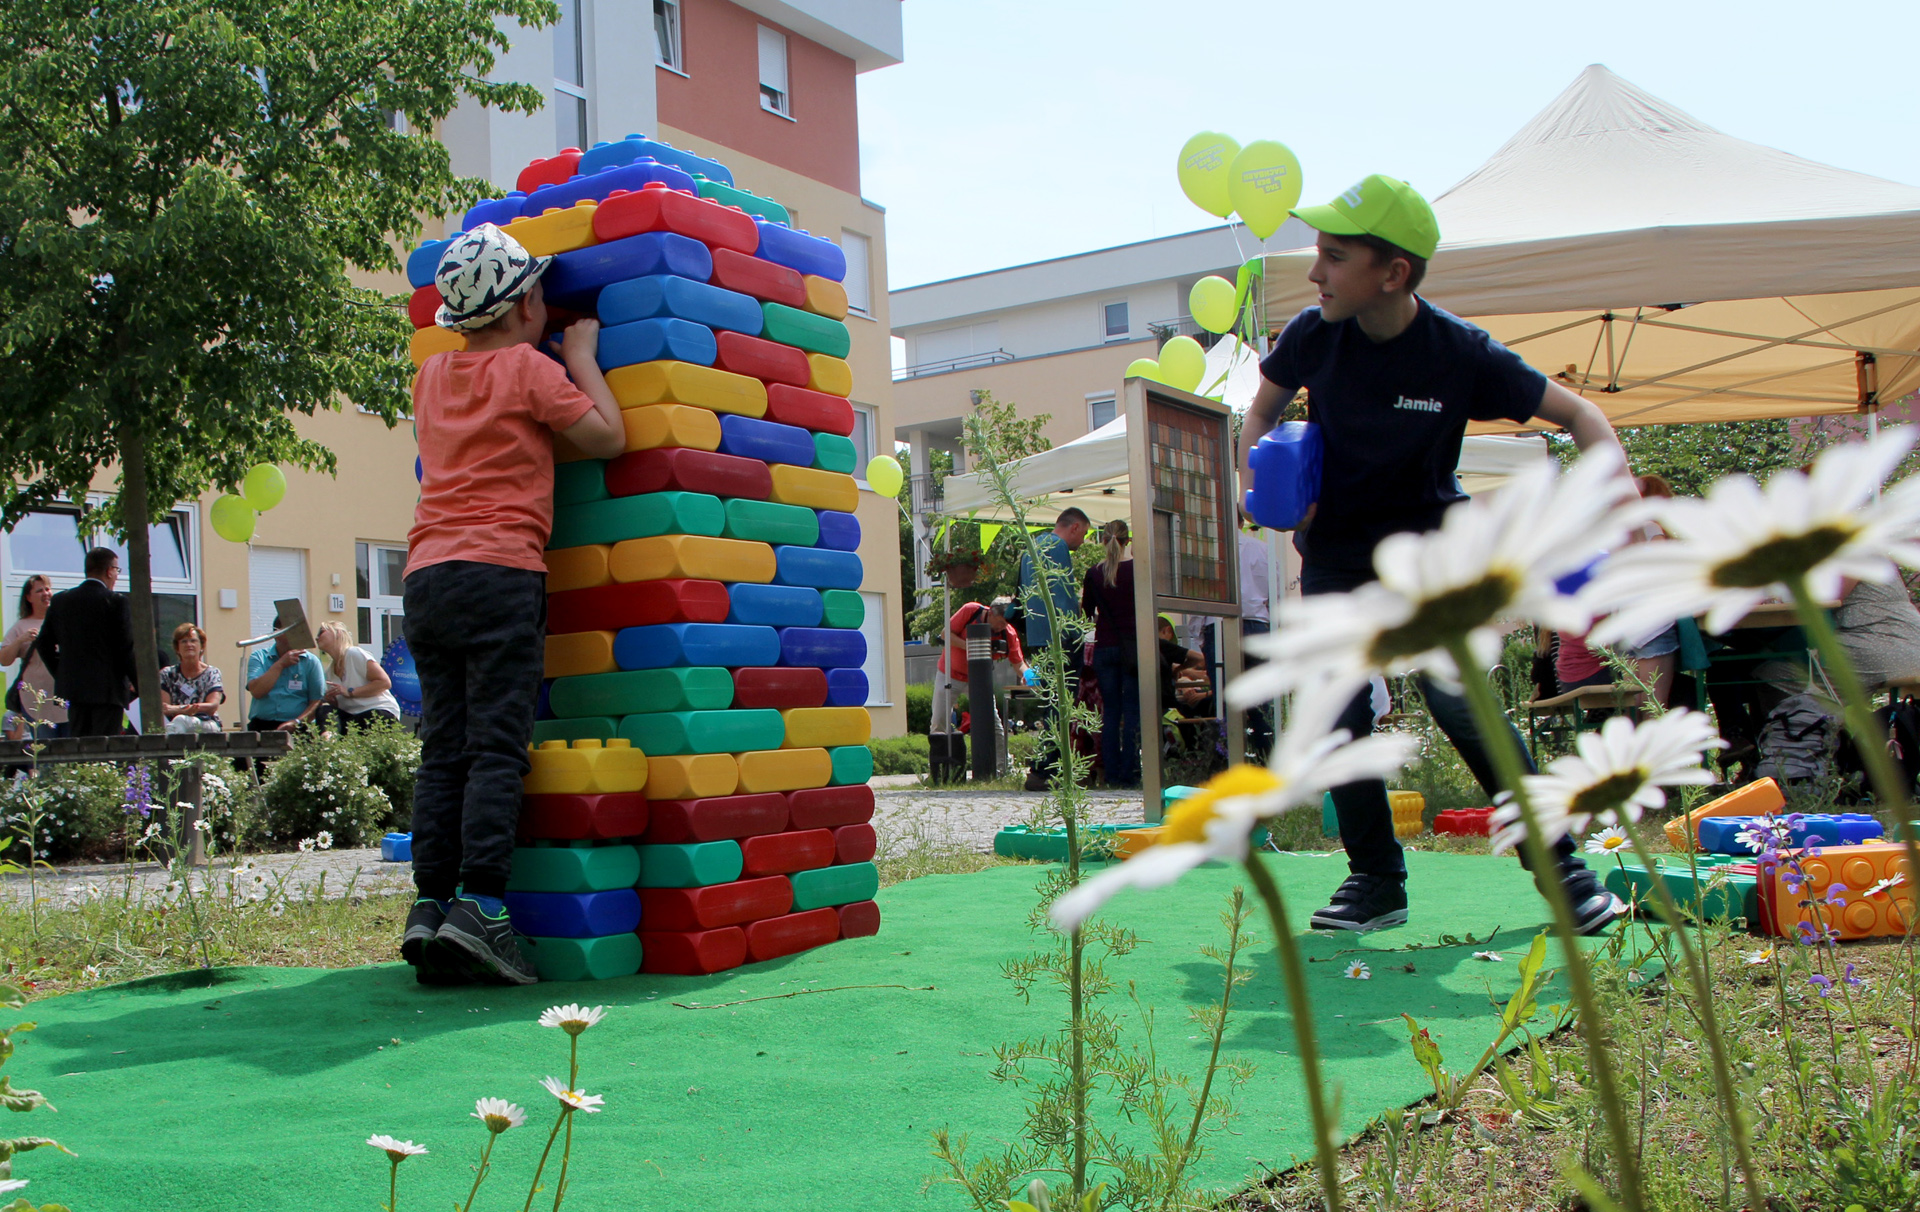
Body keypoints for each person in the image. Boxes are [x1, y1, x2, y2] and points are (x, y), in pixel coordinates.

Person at [1237, 174, 1634, 936]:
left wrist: (1617, 509)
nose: (1315, 273)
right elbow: (1260, 410)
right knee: (1336, 710)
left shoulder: (1461, 353)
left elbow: (1583, 415)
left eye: (1334, 256)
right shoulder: (1312, 334)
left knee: (1461, 703)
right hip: (1339, 557)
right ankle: (1376, 881)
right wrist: (1256, 480)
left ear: (1393, 274)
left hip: (1434, 555)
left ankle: (1564, 873)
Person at [401, 222, 626, 986]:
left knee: (445, 748)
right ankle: (484, 906)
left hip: (428, 576)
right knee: (498, 747)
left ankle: (429, 906)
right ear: (528, 304)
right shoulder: (529, 369)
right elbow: (606, 438)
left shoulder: (430, 378)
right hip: (500, 573)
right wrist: (584, 359)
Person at [1019, 506, 1091, 789]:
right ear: (1073, 527)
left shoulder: (1031, 547)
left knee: (1050, 703)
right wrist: (1077, 630)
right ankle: (1048, 768)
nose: (1082, 542)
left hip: (1038, 636)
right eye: (1083, 534)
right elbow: (1062, 595)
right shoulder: (1057, 547)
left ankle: (1043, 767)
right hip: (1060, 636)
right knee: (1062, 705)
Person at [36, 548, 136, 737]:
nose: (116, 576)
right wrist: (140, 685)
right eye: (117, 570)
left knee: (79, 750)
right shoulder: (115, 601)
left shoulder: (61, 601)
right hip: (108, 691)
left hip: (75, 691)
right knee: (105, 752)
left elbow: (43, 643)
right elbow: (126, 648)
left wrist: (62, 672)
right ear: (109, 571)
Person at [930, 596, 1028, 774]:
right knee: (939, 722)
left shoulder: (1009, 633)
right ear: (990, 612)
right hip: (949, 674)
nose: (999, 628)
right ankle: (939, 770)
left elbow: (1018, 663)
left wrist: (1027, 675)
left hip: (978, 680)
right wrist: (972, 645)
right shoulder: (970, 610)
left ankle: (1003, 767)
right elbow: (946, 634)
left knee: (993, 723)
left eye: (1004, 625)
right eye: (998, 624)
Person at [1081, 520, 1141, 788]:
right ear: (1128, 541)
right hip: (1133, 648)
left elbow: (1086, 611)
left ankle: (1111, 773)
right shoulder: (1139, 571)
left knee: (1110, 713)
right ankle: (1131, 772)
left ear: (1103, 541)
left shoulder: (1094, 573)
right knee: (1132, 712)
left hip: (1105, 647)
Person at [2, 575, 66, 739]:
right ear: (29, 598)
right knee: (46, 753)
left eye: (47, 589)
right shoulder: (21, 626)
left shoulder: (63, 621)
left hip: (64, 697)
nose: (46, 593)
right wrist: (20, 640)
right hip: (37, 702)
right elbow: (4, 659)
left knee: (71, 750)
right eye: (39, 590)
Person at [314, 622, 402, 731]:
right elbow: (340, 706)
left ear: (339, 633)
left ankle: (331, 741)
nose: (316, 637)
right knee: (324, 710)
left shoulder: (354, 654)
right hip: (354, 718)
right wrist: (332, 700)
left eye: (321, 632)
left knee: (367, 719)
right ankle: (328, 740)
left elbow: (384, 683)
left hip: (379, 712)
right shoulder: (329, 673)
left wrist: (350, 691)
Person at [244, 622, 326, 732]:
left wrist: (297, 722)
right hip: (262, 725)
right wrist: (280, 664)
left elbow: (317, 701)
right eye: (292, 631)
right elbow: (257, 691)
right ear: (277, 633)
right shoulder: (259, 657)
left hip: (299, 726)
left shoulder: (311, 662)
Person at [159, 623, 225, 734]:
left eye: (193, 641)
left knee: (181, 721)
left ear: (201, 646)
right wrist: (186, 710)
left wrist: (180, 709)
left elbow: (212, 705)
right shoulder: (167, 674)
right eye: (184, 641)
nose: (189, 644)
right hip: (174, 724)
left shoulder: (212, 673)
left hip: (206, 722)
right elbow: (165, 708)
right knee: (177, 724)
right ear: (177, 648)